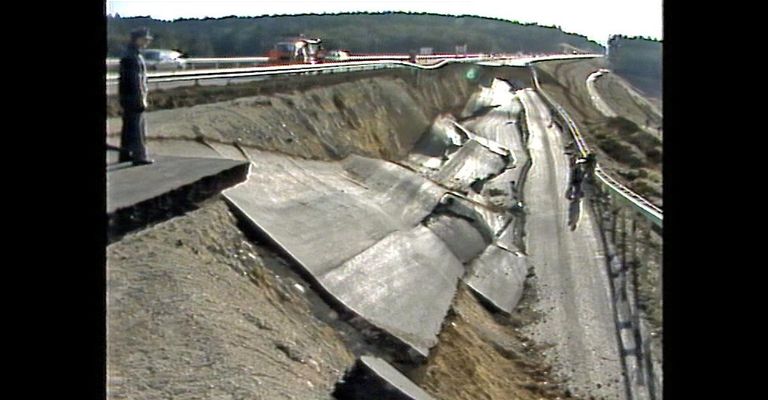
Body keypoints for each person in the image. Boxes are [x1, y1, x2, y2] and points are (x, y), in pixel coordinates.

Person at [118, 27, 154, 165]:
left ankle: (125, 154)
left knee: (128, 126)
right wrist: (141, 98)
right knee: (137, 127)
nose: (146, 42)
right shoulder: (133, 57)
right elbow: (136, 80)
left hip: (126, 96)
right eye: (145, 39)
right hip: (134, 97)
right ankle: (140, 156)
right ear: (137, 39)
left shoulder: (129, 54)